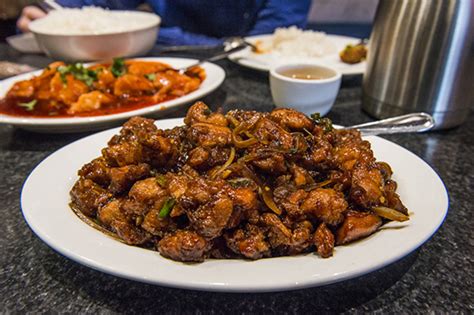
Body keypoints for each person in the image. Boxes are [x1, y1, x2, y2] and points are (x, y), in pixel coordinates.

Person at [17, 0, 311, 46]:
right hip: (164, 65)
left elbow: (266, 42)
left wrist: (154, 36)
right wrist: (53, 11)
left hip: (247, 74)